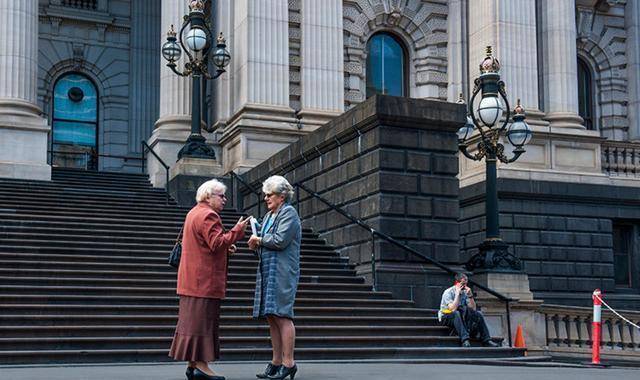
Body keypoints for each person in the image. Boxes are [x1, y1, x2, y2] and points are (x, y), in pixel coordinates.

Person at [169, 179, 249, 380]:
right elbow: (215, 243)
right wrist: (237, 232)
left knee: (192, 323)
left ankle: (193, 364)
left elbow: (205, 244)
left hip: (191, 280)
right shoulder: (208, 215)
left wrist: (225, 247)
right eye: (221, 196)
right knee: (203, 324)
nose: (225, 199)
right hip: (203, 281)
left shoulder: (193, 212)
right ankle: (202, 367)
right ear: (208, 196)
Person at [248, 175, 301, 380]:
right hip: (268, 269)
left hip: (282, 271)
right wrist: (256, 240)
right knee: (271, 316)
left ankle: (289, 363)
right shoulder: (270, 216)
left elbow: (279, 241)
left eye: (270, 195)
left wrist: (259, 239)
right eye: (265, 195)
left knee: (282, 315)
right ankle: (276, 361)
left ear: (282, 196)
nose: (266, 198)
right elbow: (266, 242)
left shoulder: (289, 213)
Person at [438, 273, 499, 348]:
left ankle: (486, 340)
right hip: (446, 316)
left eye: (466, 284)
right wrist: (457, 294)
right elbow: (453, 309)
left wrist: (470, 296)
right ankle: (465, 340)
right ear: (457, 283)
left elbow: (473, 309)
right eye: (463, 284)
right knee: (456, 313)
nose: (465, 286)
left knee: (478, 314)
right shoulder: (448, 292)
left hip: (462, 315)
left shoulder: (465, 292)